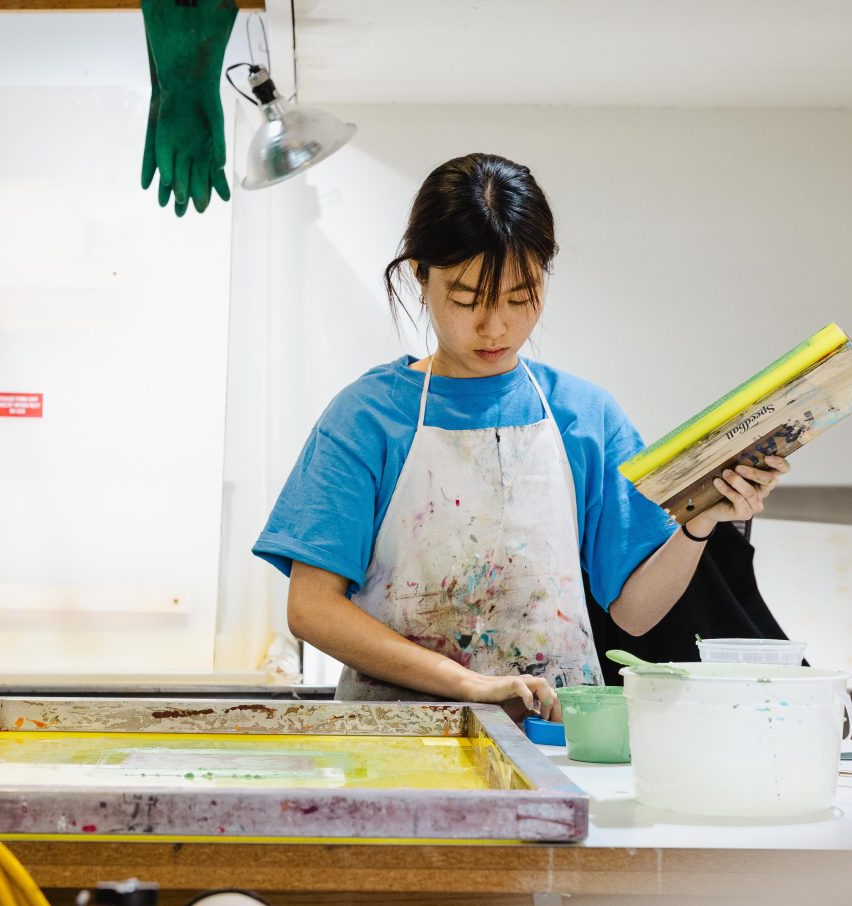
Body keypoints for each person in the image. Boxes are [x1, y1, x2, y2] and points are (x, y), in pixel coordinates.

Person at [252, 154, 789, 721]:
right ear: (420, 275)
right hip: (397, 739)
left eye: (520, 296)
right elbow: (311, 608)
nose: (495, 326)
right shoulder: (366, 417)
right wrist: (468, 684)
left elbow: (634, 613)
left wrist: (699, 523)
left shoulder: (585, 415)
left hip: (554, 738)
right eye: (466, 299)